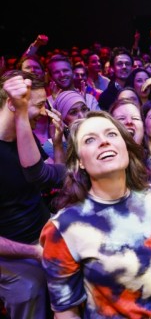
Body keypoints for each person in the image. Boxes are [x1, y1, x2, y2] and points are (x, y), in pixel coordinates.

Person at [39, 111, 151, 318]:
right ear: (80, 161)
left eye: (111, 134)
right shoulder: (63, 227)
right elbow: (66, 313)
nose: (103, 142)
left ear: (125, 146)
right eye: (90, 139)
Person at [1, 70, 65, 319]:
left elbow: (49, 179)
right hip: (13, 256)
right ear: (12, 103)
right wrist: (33, 252)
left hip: (42, 237)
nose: (42, 112)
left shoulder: (23, 137)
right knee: (31, 292)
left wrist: (57, 145)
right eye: (38, 105)